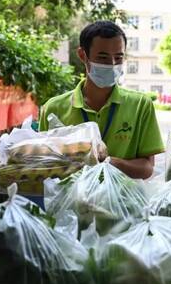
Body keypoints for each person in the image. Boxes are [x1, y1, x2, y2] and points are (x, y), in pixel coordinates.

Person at [39, 21, 164, 179]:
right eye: (103, 58)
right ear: (83, 55)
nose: (112, 65)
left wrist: (108, 162)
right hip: (69, 202)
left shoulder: (140, 105)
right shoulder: (54, 108)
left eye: (118, 58)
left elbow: (146, 168)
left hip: (123, 202)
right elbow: (42, 165)